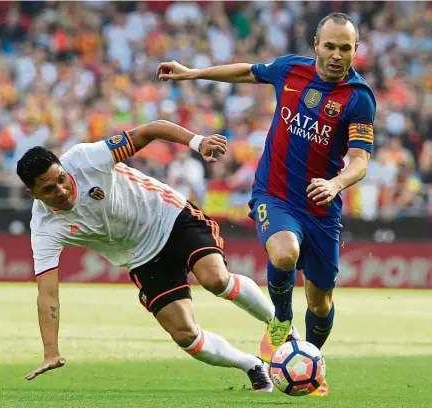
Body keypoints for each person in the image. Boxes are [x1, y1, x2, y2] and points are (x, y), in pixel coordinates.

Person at [157, 12, 376, 397]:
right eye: (330, 46)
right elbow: (248, 72)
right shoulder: (290, 70)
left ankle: (309, 363)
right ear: (316, 45)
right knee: (285, 253)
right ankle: (281, 321)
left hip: (322, 207)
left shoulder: (359, 99)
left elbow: (360, 158)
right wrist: (192, 73)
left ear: (356, 50)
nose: (337, 55)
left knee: (321, 302)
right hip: (273, 195)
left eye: (345, 48)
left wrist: (337, 182)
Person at [17, 119, 275, 392]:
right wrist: (50, 351)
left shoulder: (86, 159)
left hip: (170, 216)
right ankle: (253, 365)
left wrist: (197, 142)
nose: (62, 190)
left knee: (215, 280)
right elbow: (47, 294)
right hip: (141, 257)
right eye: (48, 190)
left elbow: (149, 131)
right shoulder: (44, 228)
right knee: (185, 335)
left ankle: (280, 324)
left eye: (61, 179)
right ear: (32, 194)